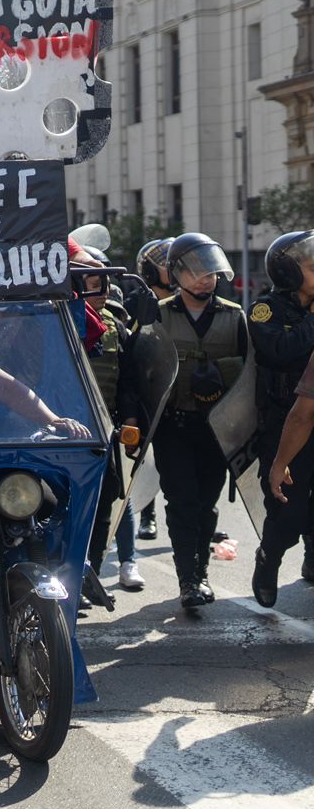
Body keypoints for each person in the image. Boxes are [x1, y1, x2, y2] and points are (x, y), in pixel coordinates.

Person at [141, 233, 249, 610]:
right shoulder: (158, 313)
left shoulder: (236, 318)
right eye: (198, 271)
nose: (207, 278)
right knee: (182, 502)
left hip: (217, 432)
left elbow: (252, 380)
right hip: (173, 427)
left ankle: (200, 571)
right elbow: (142, 372)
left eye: (211, 271)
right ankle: (189, 579)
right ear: (176, 274)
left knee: (207, 504)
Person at [249, 231, 314, 606]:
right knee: (287, 510)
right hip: (284, 425)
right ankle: (269, 558)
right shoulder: (266, 310)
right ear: (289, 271)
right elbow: (277, 350)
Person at [76, 258, 145, 594]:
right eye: (92, 283)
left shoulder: (114, 325)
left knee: (104, 505)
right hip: (63, 436)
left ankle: (91, 578)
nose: (101, 292)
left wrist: (131, 419)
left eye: (104, 284)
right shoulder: (55, 322)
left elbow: (127, 380)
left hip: (104, 433)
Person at [132, 237, 175, 540]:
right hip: (149, 390)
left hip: (183, 391)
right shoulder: (137, 302)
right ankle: (148, 513)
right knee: (148, 458)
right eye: (168, 267)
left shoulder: (185, 302)